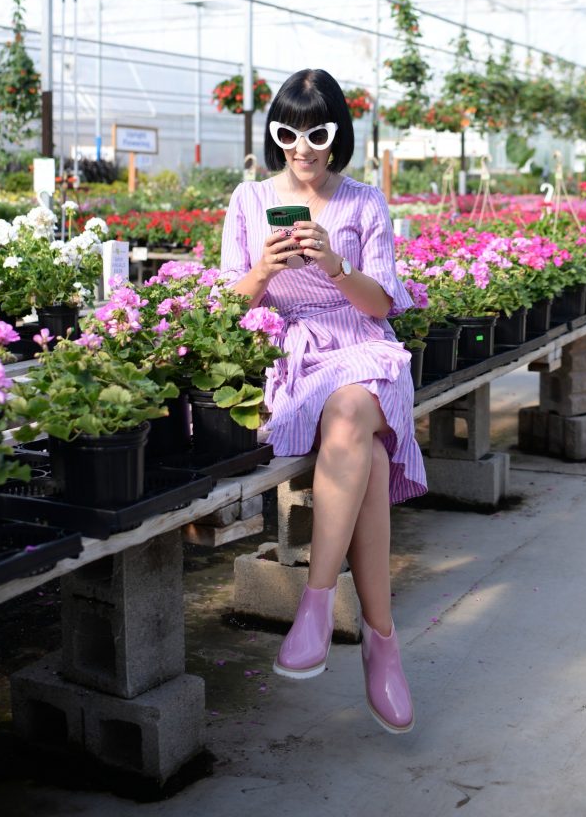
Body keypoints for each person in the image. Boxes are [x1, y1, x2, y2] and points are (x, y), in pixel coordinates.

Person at [220, 68, 427, 734]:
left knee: (351, 407)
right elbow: (226, 307)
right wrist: (263, 271)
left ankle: (314, 603)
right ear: (272, 134)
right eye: (286, 131)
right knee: (357, 442)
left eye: (317, 131)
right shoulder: (250, 201)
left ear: (339, 132)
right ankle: (380, 640)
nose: (301, 146)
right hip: (293, 358)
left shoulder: (364, 201)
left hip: (364, 349)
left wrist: (336, 266)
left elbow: (383, 304)